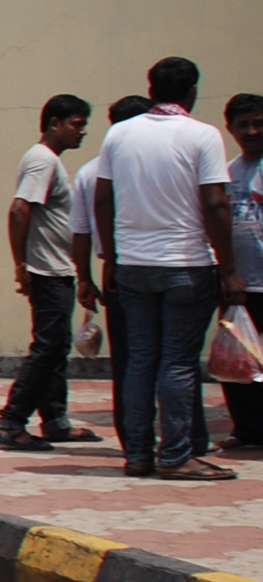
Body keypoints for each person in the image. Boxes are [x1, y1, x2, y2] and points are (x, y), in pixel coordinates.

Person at [91, 56, 241, 480]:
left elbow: (102, 200)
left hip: (133, 265)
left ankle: (138, 454)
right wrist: (229, 268)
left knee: (140, 360)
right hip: (186, 265)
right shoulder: (202, 135)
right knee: (177, 362)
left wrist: (111, 257)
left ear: (151, 89)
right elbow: (215, 204)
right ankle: (175, 455)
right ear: (192, 91)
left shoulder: (119, 134)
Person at [0, 94, 100, 450]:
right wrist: (21, 266)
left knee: (56, 346)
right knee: (48, 347)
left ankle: (55, 421)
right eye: (76, 124)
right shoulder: (42, 160)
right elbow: (18, 210)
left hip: (57, 269)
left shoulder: (49, 160)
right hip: (47, 271)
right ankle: (11, 421)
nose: (82, 132)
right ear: (54, 123)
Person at [71, 95, 154, 454]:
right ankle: (186, 438)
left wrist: (85, 278)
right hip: (161, 266)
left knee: (128, 359)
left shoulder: (90, 171)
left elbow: (81, 233)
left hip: (116, 271)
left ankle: (133, 439)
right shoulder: (156, 164)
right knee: (172, 357)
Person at [225, 93, 263, 450]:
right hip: (239, 284)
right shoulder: (228, 172)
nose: (252, 131)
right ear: (231, 129)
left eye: (259, 123)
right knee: (240, 359)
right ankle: (248, 429)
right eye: (243, 125)